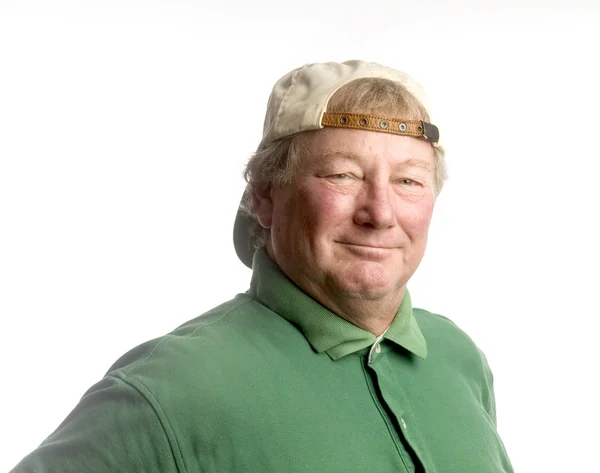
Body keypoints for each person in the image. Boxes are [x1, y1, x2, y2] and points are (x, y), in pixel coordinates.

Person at [11, 60, 514, 472]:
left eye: (408, 181)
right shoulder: (169, 391)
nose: (379, 213)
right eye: (342, 174)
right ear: (264, 196)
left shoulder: (457, 359)